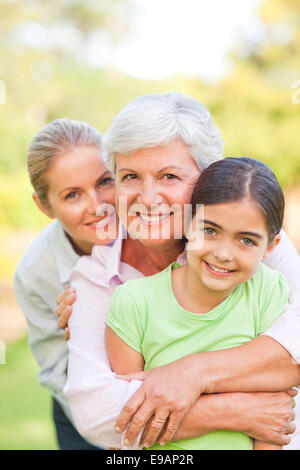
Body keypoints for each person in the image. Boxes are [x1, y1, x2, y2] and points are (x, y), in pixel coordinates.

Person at [59, 93, 300, 450]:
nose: (149, 197)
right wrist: (236, 409)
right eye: (130, 176)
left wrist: (191, 374)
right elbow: (96, 413)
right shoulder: (95, 279)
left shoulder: (254, 245)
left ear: (207, 179)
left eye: (169, 176)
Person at [105, 156, 289, 450]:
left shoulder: (267, 290)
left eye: (246, 241)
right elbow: (126, 424)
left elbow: (273, 415)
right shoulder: (134, 302)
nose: (224, 254)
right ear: (188, 225)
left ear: (270, 247)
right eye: (210, 231)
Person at [14, 118, 118, 450]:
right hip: (84, 413)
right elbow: (60, 371)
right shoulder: (35, 273)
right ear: (44, 206)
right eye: (72, 195)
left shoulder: (154, 228)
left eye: (104, 182)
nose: (97, 205)